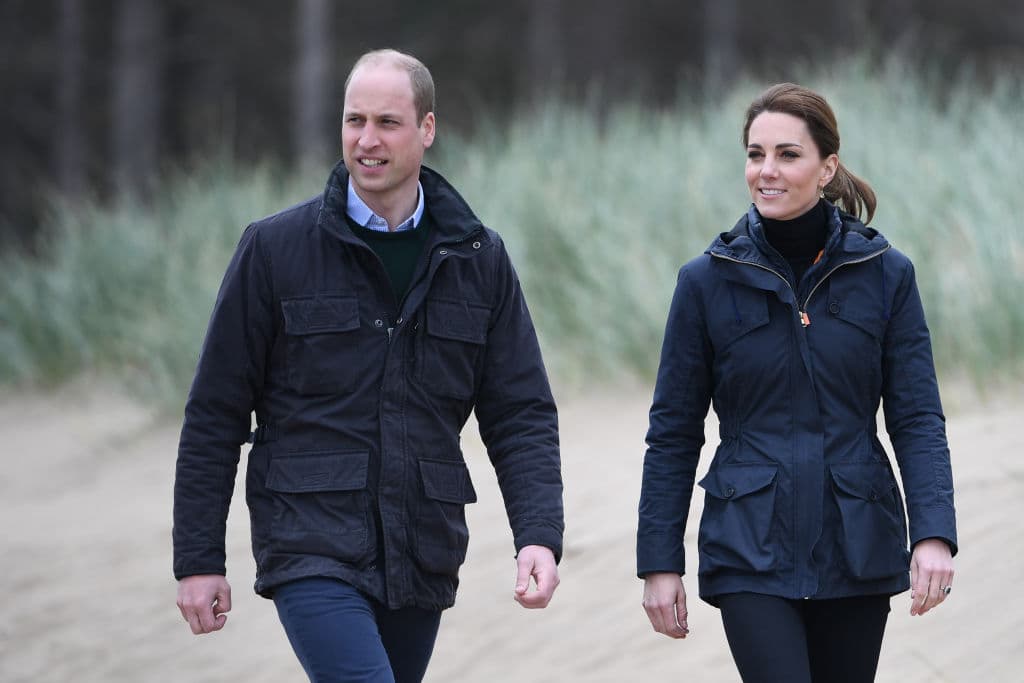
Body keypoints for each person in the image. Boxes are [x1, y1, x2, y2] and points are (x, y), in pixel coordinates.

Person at [173, 48, 564, 682]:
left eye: (387, 122)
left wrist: (539, 535)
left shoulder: (478, 258)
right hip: (308, 539)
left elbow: (520, 414)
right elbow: (215, 412)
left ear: (427, 129)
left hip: (422, 547)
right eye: (355, 120)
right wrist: (198, 557)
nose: (367, 139)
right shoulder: (275, 249)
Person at [636, 82, 957, 683]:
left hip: (857, 539)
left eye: (787, 154)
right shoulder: (706, 281)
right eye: (756, 154)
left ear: (827, 166)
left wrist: (933, 533)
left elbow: (916, 418)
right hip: (747, 543)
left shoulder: (887, 275)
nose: (767, 171)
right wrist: (659, 561)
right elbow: (673, 432)